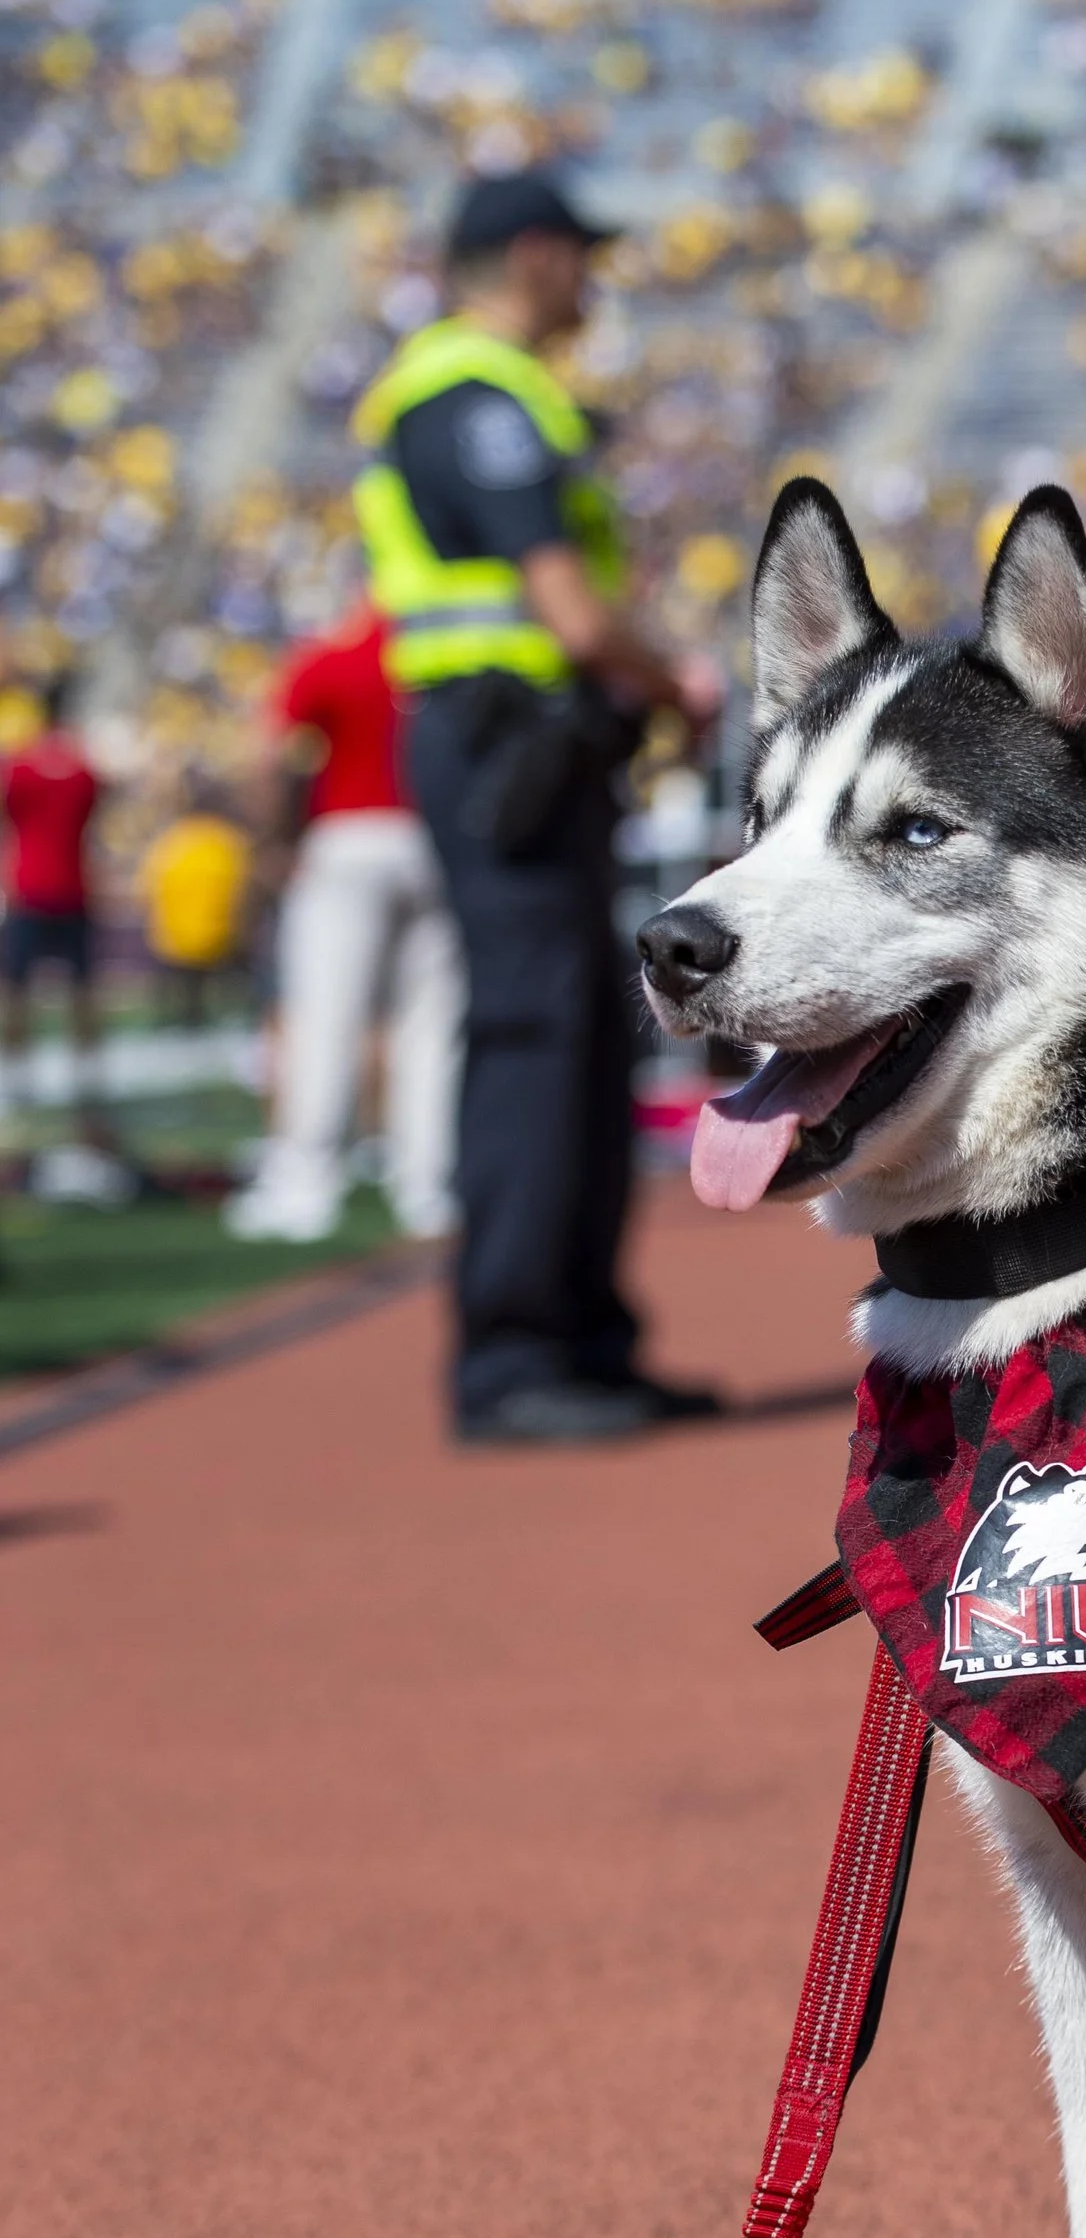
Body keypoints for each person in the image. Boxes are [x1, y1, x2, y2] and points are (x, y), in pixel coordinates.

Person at [354, 170, 719, 1444]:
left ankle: (580, 1338)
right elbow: (566, 610)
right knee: (533, 1033)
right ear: (536, 254)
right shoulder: (474, 390)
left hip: (537, 745)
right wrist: (678, 678)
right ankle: (512, 1357)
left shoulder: (501, 392)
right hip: (497, 739)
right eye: (582, 255)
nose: (593, 280)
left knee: (580, 1040)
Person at [226, 599, 462, 1246]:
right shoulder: (438, 652)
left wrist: (274, 841)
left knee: (326, 1019)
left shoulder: (329, 655)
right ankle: (428, 1184)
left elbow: (269, 756)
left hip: (347, 841)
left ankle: (306, 1183)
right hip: (432, 842)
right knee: (431, 1025)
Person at [0, 673, 103, 1116]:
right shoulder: (83, 768)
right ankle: (87, 1078)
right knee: (81, 990)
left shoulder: (20, 766)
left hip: (27, 889)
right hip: (74, 889)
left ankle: (18, 1077)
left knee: (16, 988)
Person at [139, 779, 255, 1025]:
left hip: (174, 942)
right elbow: (243, 894)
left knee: (180, 984)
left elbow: (148, 890)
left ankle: (175, 1019)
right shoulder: (228, 841)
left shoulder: (171, 841)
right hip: (218, 940)